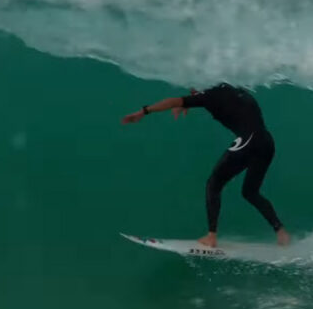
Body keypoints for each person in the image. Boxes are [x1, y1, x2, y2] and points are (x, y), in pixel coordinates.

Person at [122, 83, 291, 247]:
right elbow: (216, 100)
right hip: (267, 142)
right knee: (250, 192)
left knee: (214, 184)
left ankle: (211, 236)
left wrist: (143, 111)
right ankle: (281, 232)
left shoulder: (209, 96)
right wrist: (189, 102)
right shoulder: (235, 88)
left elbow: (174, 101)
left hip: (248, 142)